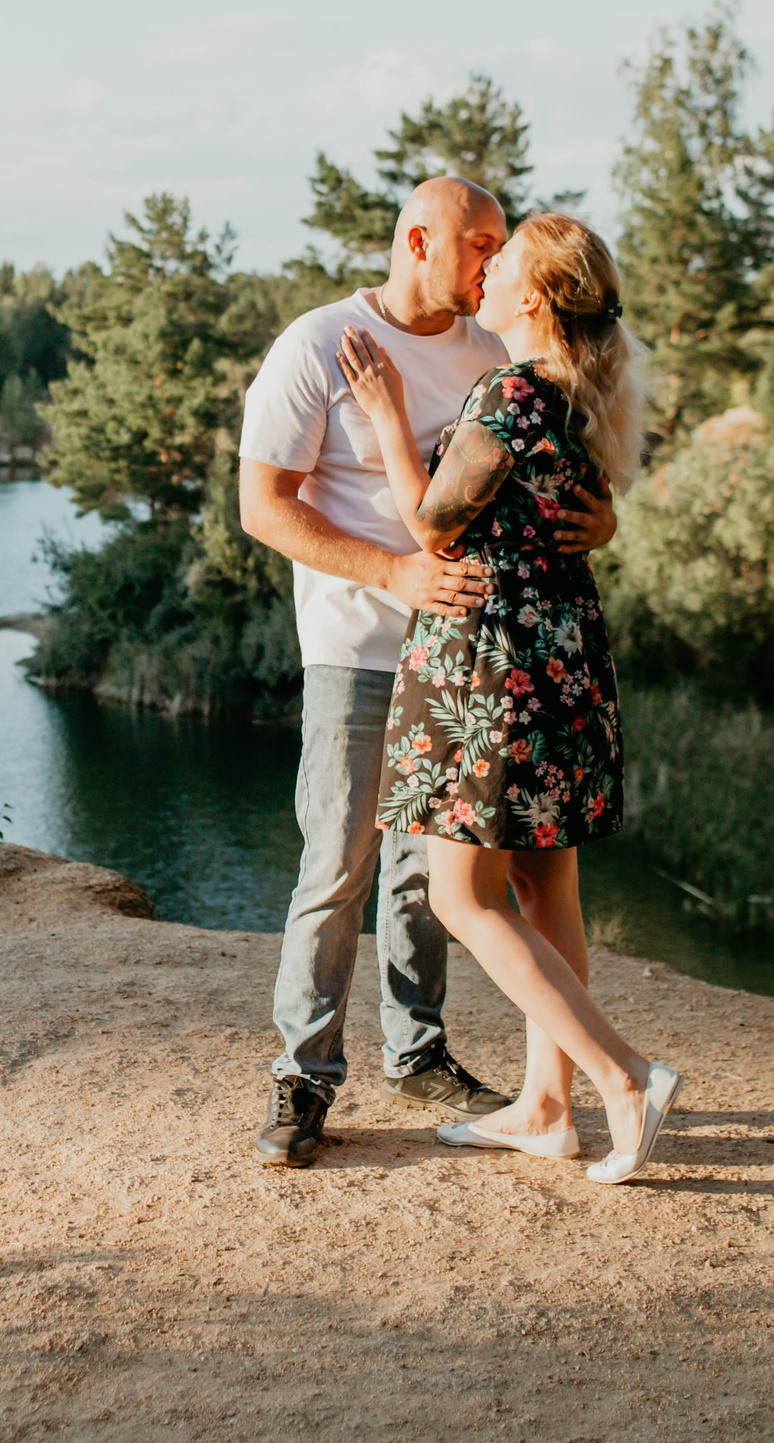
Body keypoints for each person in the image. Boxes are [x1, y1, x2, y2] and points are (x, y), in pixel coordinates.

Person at [237, 177, 615, 1168]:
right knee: (337, 866)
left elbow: (548, 461)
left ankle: (417, 1051)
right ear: (417, 240)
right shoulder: (320, 344)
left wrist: (602, 518)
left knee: (424, 877)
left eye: (500, 244)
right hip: (359, 649)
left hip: (468, 661)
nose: (492, 259)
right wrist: (392, 573)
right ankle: (303, 1075)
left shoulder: (494, 349)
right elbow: (262, 507)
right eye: (477, 241)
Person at [335, 210, 680, 1184]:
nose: (483, 273)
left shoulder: (514, 391)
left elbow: (432, 526)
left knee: (459, 894)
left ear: (533, 297)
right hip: (562, 661)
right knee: (543, 884)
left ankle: (622, 1077)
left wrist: (384, 411)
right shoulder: (578, 394)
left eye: (503, 261)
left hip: (495, 670)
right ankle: (545, 1107)